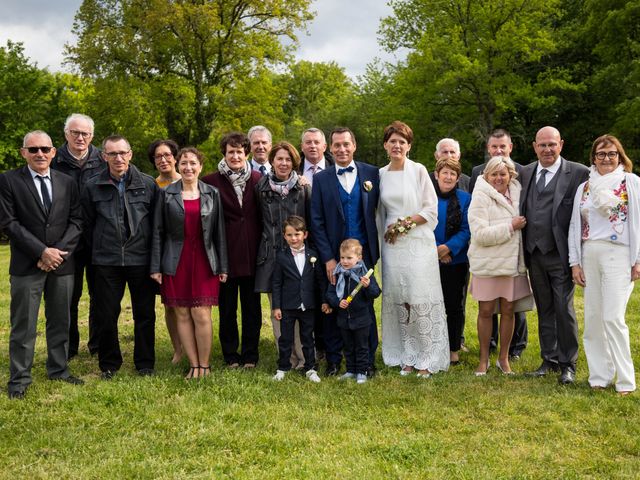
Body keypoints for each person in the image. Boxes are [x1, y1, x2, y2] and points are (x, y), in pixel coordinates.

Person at [0, 131, 84, 399]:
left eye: (45, 149)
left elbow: (77, 220)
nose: (40, 154)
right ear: (23, 152)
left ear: (54, 152)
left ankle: (59, 369)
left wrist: (56, 253)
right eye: (33, 149)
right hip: (27, 263)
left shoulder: (67, 182)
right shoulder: (9, 180)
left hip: (62, 263)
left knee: (61, 320)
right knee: (24, 324)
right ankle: (19, 378)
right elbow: (8, 222)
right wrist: (41, 251)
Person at [82, 135, 159, 379]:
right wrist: (98, 253)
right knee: (106, 314)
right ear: (104, 156)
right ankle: (109, 364)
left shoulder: (147, 184)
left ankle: (145, 363)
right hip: (106, 261)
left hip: (140, 259)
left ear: (130, 154)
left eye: (122, 153)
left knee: (144, 314)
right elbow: (87, 225)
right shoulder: (92, 185)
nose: (118, 158)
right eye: (112, 154)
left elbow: (157, 227)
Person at [377, 121, 449, 377]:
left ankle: (427, 356)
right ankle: (407, 355)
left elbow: (431, 209)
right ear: (386, 144)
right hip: (391, 245)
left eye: (402, 141)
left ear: (409, 146)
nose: (397, 145)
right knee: (401, 301)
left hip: (417, 241)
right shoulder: (381, 174)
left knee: (419, 300)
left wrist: (404, 225)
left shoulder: (418, 171)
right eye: (393, 141)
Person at [568, 135, 639, 395]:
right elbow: (576, 226)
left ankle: (625, 380)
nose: (606, 158)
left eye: (611, 153)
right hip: (590, 253)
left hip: (619, 254)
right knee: (595, 317)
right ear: (593, 158)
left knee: (613, 317)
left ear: (620, 156)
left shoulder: (630, 183)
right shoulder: (585, 187)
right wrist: (575, 262)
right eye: (601, 154)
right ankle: (599, 376)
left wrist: (638, 260)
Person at [151, 147, 228, 379]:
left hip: (205, 259)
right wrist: (155, 266)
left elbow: (219, 233)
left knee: (202, 314)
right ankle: (193, 364)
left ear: (201, 167)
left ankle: (205, 365)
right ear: (178, 165)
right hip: (176, 260)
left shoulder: (212, 193)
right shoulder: (166, 194)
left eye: (193, 163)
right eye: (183, 163)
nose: (188, 167)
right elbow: (157, 232)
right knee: (182, 313)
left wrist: (223, 266)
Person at [521, 126, 589, 384]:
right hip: (533, 253)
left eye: (552, 144)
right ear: (534, 146)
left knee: (563, 308)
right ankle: (548, 359)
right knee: (544, 307)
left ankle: (568, 363)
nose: (547, 149)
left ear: (561, 144)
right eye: (542, 145)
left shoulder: (579, 172)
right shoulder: (526, 172)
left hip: (561, 253)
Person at [310, 127, 380, 377]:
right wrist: (329, 258)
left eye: (346, 144)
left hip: (364, 255)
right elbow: (316, 220)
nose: (341, 149)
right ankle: (334, 360)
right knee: (333, 303)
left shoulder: (371, 173)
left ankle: (367, 360)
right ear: (330, 147)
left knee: (365, 306)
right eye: (337, 145)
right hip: (335, 257)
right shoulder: (321, 179)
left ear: (354, 145)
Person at [202, 132, 262, 368]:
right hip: (225, 254)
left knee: (251, 309)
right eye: (231, 152)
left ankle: (250, 354)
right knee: (227, 309)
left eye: (239, 151)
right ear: (224, 154)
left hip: (253, 252)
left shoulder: (258, 179)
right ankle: (230, 354)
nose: (235, 156)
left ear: (246, 153)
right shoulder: (210, 182)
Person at [468, 156, 532, 376]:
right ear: (486, 175)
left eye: (502, 174)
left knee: (508, 310)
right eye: (493, 174)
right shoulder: (480, 195)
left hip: (512, 262)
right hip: (488, 262)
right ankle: (484, 360)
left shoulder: (518, 192)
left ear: (510, 175)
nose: (498, 178)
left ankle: (503, 359)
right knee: (486, 311)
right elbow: (480, 234)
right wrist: (510, 226)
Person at [51, 113, 105, 358]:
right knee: (68, 296)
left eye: (85, 133)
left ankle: (97, 345)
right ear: (66, 134)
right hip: (65, 241)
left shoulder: (103, 159)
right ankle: (69, 347)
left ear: (92, 136)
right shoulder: (54, 161)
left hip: (98, 238)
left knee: (100, 295)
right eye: (75, 132)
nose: (80, 137)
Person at [254, 141, 311, 369]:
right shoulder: (261, 188)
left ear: (294, 162)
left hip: (298, 255)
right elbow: (258, 221)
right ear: (272, 161)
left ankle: (304, 357)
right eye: (279, 159)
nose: (284, 163)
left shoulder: (304, 188)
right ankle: (285, 357)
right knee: (277, 309)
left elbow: (310, 221)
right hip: (272, 257)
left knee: (299, 307)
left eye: (288, 159)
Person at [272, 216, 330, 383]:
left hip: (308, 305)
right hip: (288, 305)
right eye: (289, 235)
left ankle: (310, 368)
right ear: (284, 236)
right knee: (285, 338)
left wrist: (324, 301)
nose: (294, 238)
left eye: (297, 234)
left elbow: (320, 281)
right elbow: (276, 283)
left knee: (307, 338)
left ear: (305, 234)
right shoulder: (281, 257)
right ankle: (282, 367)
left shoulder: (313, 255)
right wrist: (276, 306)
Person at [298, 127, 334, 361]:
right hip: (300, 241)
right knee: (307, 292)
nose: (312, 146)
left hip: (329, 241)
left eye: (316, 142)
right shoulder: (292, 169)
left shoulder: (335, 169)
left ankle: (328, 343)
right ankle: (308, 345)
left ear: (324, 146)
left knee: (327, 292)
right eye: (308, 142)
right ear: (302, 147)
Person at [147, 139, 183, 364]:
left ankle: (195, 344)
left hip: (187, 250)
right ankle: (178, 349)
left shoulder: (190, 181)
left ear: (175, 157)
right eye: (158, 157)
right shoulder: (152, 186)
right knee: (170, 304)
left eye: (167, 155)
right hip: (163, 252)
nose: (163, 160)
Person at [326, 239, 381, 384]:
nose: (345, 261)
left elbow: (376, 293)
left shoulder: (365, 275)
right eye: (342, 257)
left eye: (349, 258)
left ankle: (361, 372)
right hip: (344, 319)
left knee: (362, 347)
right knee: (348, 346)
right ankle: (351, 370)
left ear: (359, 258)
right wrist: (338, 302)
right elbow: (330, 293)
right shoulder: (338, 274)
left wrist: (368, 286)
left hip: (362, 319)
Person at [433, 157, 471, 365]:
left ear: (457, 178)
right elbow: (423, 225)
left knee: (454, 306)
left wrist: (449, 248)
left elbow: (467, 229)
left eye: (453, 174)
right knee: (431, 304)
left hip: (456, 261)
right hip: (429, 259)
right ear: (437, 174)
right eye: (444, 172)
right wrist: (437, 250)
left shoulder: (466, 199)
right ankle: (433, 344)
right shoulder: (427, 197)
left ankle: (453, 349)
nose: (448, 177)